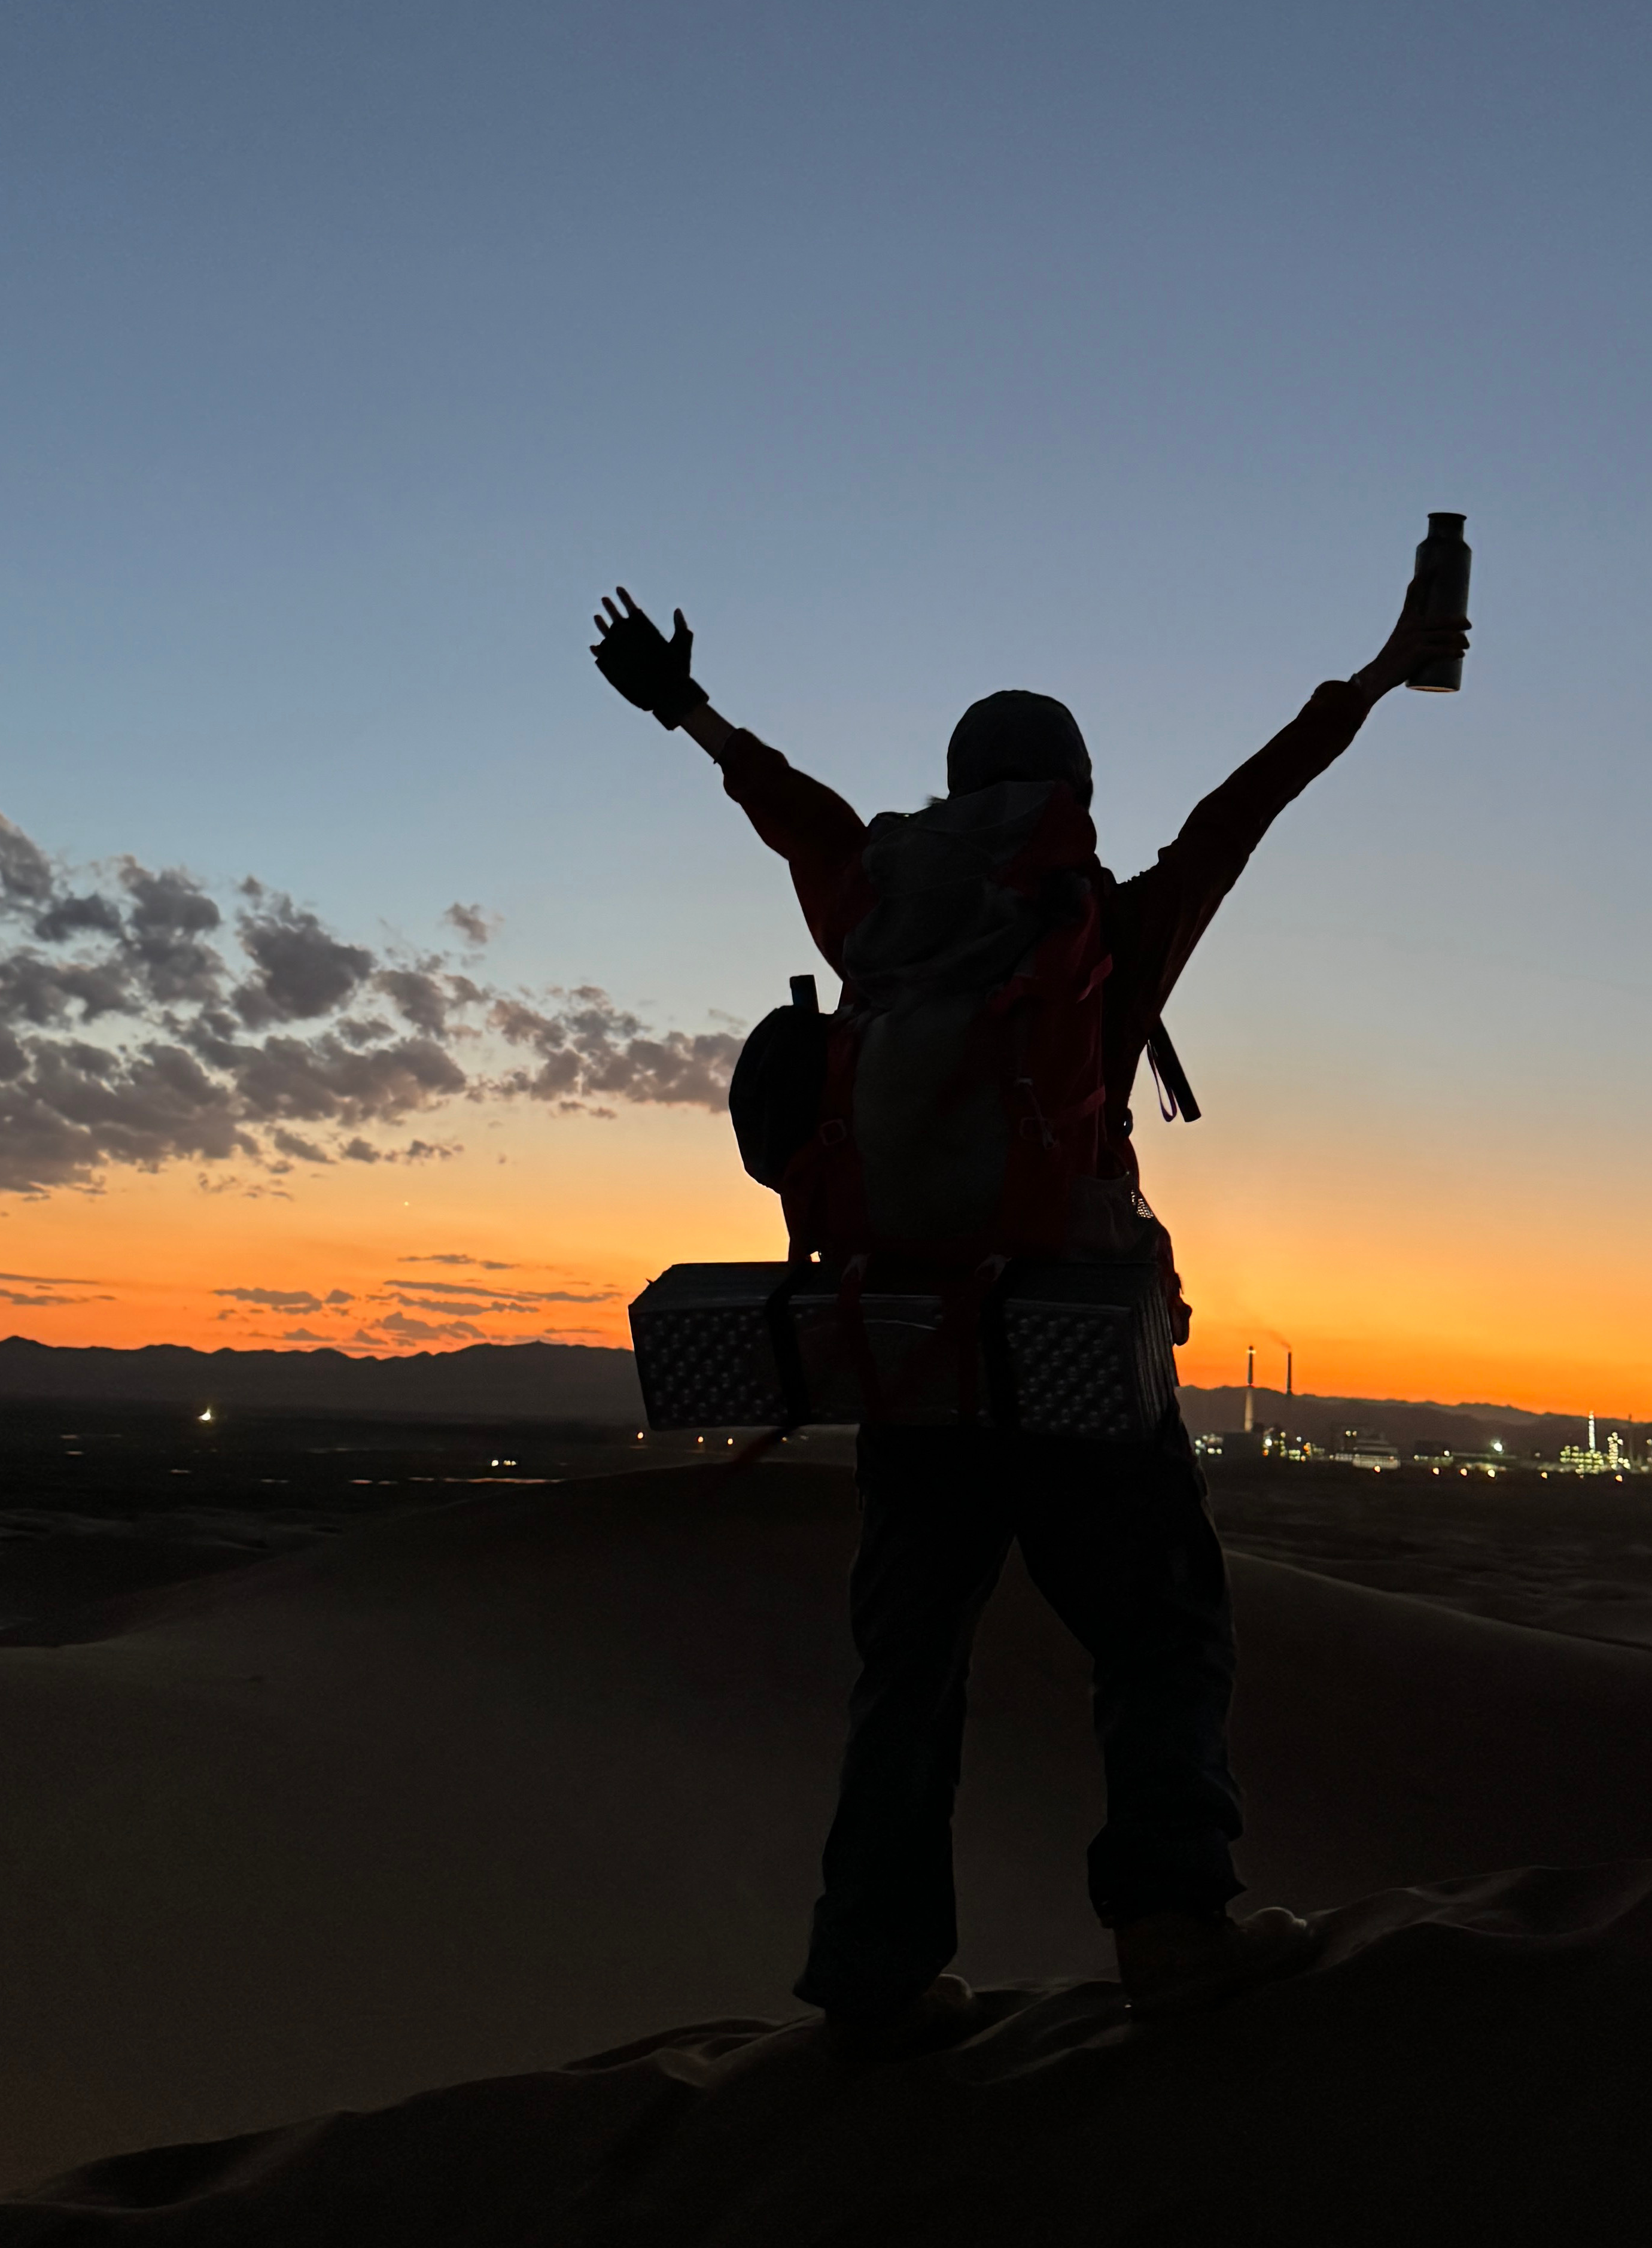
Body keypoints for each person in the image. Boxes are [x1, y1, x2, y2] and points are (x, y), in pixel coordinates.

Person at [591, 565, 1471, 2052]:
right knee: (1161, 1631)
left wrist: (682, 704)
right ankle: (1175, 1926)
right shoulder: (1100, 928)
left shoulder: (874, 902)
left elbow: (782, 802)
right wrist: (1380, 676)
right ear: (1071, 792)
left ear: (953, 792)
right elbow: (1243, 814)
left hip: (912, 1358)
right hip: (1064, 1357)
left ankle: (874, 1973)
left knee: (910, 1667)